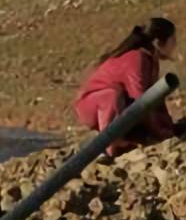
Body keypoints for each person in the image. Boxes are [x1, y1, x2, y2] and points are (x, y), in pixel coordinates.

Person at [73, 17, 178, 156]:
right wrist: (159, 131)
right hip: (94, 106)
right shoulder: (137, 59)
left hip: (117, 106)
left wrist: (167, 127)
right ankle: (108, 145)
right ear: (158, 42)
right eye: (173, 40)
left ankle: (122, 137)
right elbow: (142, 101)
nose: (175, 44)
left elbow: (154, 99)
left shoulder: (150, 60)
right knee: (111, 95)